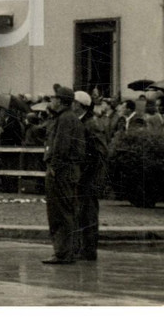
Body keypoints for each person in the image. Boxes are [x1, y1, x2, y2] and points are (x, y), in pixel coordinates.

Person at [42, 84, 85, 265]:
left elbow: (61, 146)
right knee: (65, 210)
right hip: (66, 170)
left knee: (60, 212)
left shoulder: (66, 119)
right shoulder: (66, 118)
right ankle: (67, 250)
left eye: (54, 98)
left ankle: (62, 252)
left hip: (62, 172)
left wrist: (54, 167)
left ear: (60, 101)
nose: (51, 100)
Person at [74, 90, 108, 261]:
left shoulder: (90, 124)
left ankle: (88, 249)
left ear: (79, 105)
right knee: (81, 212)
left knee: (88, 212)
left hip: (89, 176)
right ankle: (82, 247)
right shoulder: (82, 122)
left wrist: (87, 171)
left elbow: (100, 151)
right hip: (84, 175)